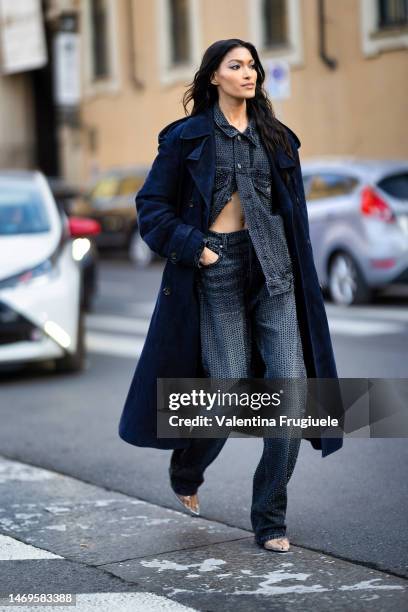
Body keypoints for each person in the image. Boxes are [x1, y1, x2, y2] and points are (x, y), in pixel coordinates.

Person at [119, 38, 343, 554]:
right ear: (214, 76)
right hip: (215, 265)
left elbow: (295, 216)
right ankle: (188, 465)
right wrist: (194, 248)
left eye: (253, 66)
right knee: (223, 389)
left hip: (276, 272)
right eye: (236, 66)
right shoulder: (186, 138)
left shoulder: (278, 138)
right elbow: (151, 206)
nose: (249, 73)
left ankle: (269, 516)